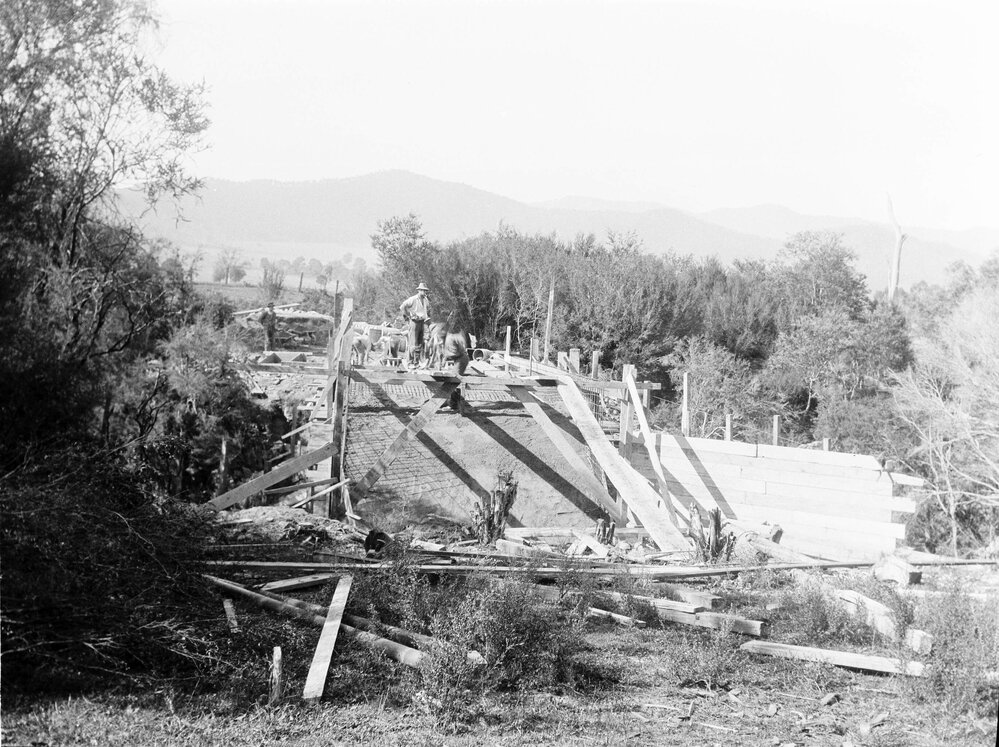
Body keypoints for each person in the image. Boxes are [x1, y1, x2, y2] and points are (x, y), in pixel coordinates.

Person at [399, 282, 431, 368]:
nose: (424, 293)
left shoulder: (425, 300)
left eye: (425, 291)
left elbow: (427, 310)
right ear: (419, 291)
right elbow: (402, 306)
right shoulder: (413, 299)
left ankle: (416, 362)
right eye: (423, 291)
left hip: (422, 322)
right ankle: (410, 362)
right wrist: (408, 315)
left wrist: (426, 318)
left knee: (419, 344)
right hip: (414, 321)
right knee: (413, 343)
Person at [442, 324, 472, 413]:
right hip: (458, 359)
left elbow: (455, 353)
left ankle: (454, 405)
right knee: (452, 380)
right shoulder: (448, 338)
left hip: (461, 359)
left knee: (454, 381)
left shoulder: (450, 338)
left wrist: (446, 356)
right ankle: (451, 402)